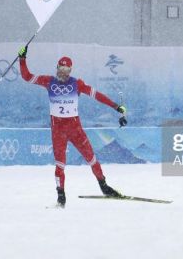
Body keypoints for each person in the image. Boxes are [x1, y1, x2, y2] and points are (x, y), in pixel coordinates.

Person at [17, 46, 128, 207]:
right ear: (57, 68)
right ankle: (61, 197)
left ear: (70, 70)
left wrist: (116, 106)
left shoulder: (77, 84)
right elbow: (27, 77)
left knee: (92, 158)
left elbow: (97, 95)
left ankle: (104, 187)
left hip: (76, 130)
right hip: (58, 132)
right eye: (61, 68)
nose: (63, 72)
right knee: (60, 165)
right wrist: (22, 58)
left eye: (67, 69)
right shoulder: (48, 81)